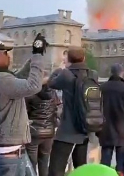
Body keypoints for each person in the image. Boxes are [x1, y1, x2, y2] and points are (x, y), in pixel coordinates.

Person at [0, 34, 46, 175]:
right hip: (9, 155)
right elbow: (33, 86)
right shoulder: (0, 80)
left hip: (6, 150)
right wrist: (38, 56)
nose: (9, 56)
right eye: (5, 53)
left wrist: (34, 56)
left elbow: (16, 79)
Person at [48, 47, 99, 176]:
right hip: (85, 126)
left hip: (67, 128)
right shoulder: (93, 74)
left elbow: (51, 83)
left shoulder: (66, 74)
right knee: (80, 168)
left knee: (56, 167)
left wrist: (61, 68)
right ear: (84, 59)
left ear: (68, 59)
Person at [98, 64, 124, 176]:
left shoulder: (102, 88)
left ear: (111, 73)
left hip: (105, 131)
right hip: (122, 132)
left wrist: (98, 131)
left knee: (104, 163)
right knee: (121, 165)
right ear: (122, 73)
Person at [26, 82, 59, 176]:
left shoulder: (30, 95)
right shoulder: (53, 95)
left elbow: (25, 113)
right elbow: (56, 111)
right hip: (49, 132)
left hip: (34, 133)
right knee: (44, 161)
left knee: (32, 163)